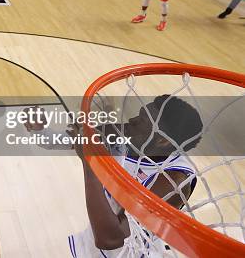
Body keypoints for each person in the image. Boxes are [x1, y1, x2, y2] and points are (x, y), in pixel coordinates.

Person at [66, 95, 202, 257]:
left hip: (129, 252)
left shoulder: (173, 181)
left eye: (142, 121)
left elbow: (110, 239)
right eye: (139, 113)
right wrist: (41, 130)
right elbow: (68, 139)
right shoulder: (130, 134)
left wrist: (90, 164)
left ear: (162, 141)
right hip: (95, 239)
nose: (132, 120)